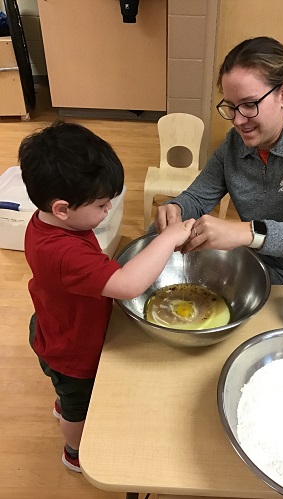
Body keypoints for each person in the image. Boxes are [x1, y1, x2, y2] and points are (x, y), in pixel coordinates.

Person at [19, 121, 195, 473]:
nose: (108, 211)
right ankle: (73, 449)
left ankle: (62, 398)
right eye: (102, 205)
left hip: (53, 325)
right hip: (72, 349)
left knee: (66, 392)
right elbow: (128, 284)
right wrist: (169, 238)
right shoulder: (65, 252)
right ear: (62, 208)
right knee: (78, 410)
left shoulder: (45, 223)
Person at [154, 36, 283, 285]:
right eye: (231, 106)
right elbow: (197, 198)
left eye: (249, 105)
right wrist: (177, 208)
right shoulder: (233, 145)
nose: (237, 120)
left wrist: (248, 231)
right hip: (251, 260)